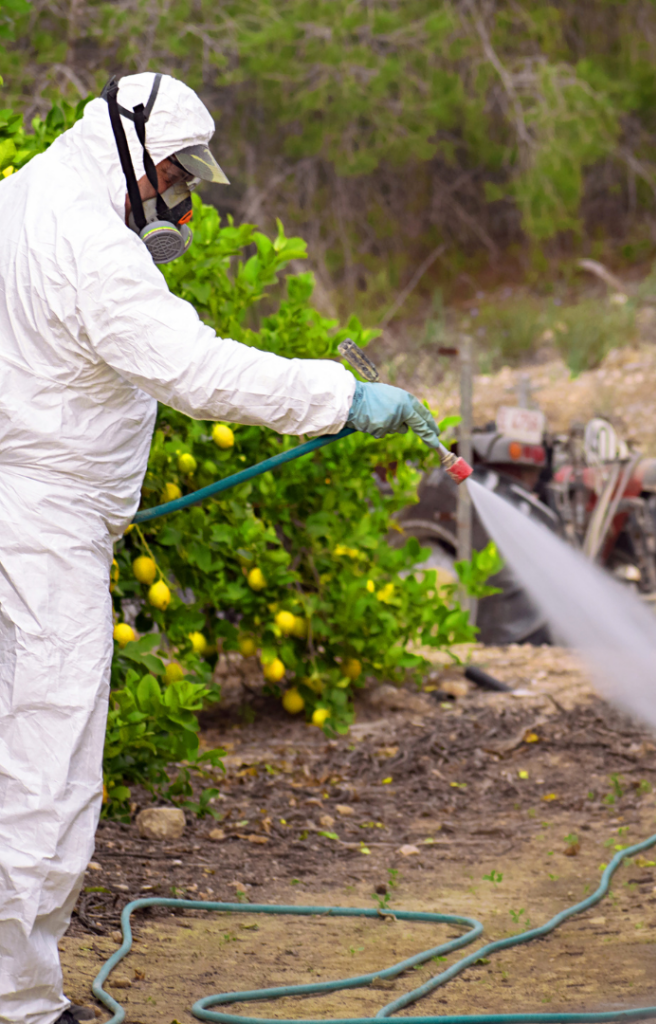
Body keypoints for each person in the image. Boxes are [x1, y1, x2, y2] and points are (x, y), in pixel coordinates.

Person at [0, 71, 438, 1024]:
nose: (181, 198)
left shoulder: (23, 194)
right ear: (131, 153)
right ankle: (20, 1005)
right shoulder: (93, 245)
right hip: (42, 529)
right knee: (48, 763)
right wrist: (342, 399)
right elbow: (196, 368)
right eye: (174, 176)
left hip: (21, 503)